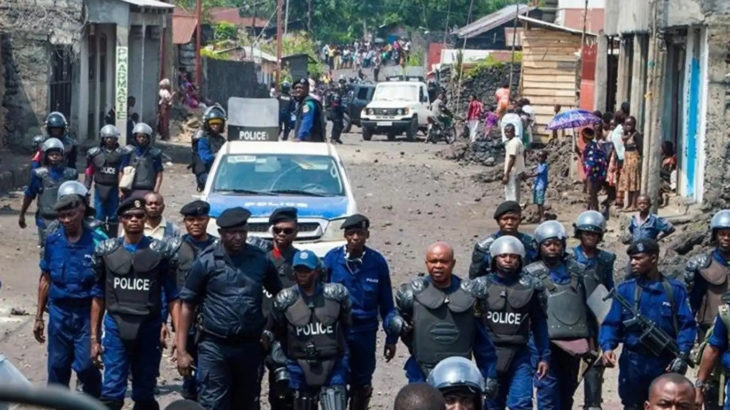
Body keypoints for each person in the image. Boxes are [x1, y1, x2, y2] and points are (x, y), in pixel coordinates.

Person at [176, 207, 283, 409]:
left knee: (247, 402)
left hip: (250, 345)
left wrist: (270, 329)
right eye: (232, 233)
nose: (238, 237)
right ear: (221, 234)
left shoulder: (260, 259)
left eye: (242, 232)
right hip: (214, 345)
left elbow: (279, 297)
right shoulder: (206, 261)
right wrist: (182, 350)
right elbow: (187, 304)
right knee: (213, 403)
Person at [90, 196, 181, 410]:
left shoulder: (161, 252)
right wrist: (94, 339)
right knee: (111, 392)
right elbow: (97, 297)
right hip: (115, 327)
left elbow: (173, 296)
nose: (134, 220)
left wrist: (178, 335)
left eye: (139, 216)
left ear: (144, 218)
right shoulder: (106, 252)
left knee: (145, 392)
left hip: (148, 329)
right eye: (129, 216)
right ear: (121, 219)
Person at [599, 238, 697, 409]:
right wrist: (607, 347)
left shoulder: (674, 290)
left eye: (638, 258)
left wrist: (682, 355)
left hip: (664, 362)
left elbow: (687, 326)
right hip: (633, 362)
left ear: (653, 258)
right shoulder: (625, 290)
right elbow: (611, 323)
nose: (633, 262)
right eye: (632, 258)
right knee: (633, 405)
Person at [391, 241, 498, 389]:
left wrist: (489, 374)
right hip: (421, 370)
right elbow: (396, 318)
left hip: (459, 372)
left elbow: (483, 341)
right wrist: (395, 323)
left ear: (453, 263)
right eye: (434, 261)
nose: (438, 266)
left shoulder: (471, 295)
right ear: (426, 263)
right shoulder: (411, 294)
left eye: (444, 261)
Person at [323, 214, 399, 410]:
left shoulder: (377, 262)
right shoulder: (332, 259)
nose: (355, 237)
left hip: (365, 332)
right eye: (351, 233)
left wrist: (392, 337)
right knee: (335, 383)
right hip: (338, 331)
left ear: (367, 235)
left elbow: (387, 305)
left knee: (362, 384)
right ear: (345, 235)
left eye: (360, 233)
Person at [33, 194, 106, 397]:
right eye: (62, 216)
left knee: (86, 366)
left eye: (70, 215)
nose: (66, 220)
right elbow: (46, 279)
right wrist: (38, 316)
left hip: (86, 314)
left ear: (82, 212)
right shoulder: (53, 241)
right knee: (57, 367)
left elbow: (105, 285)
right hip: (59, 313)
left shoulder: (98, 241)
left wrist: (99, 327)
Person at [524, 220, 598, 409]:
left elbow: (592, 307)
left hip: (574, 341)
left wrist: (593, 339)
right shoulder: (530, 274)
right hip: (543, 342)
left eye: (557, 244)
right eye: (547, 244)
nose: (552, 248)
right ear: (539, 246)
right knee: (547, 390)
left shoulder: (578, 271)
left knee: (568, 390)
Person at [263, 250, 351, 410]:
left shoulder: (336, 296)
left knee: (335, 402)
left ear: (317, 271)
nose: (302, 274)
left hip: (333, 362)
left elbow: (347, 326)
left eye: (307, 270)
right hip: (298, 363)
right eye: (299, 270)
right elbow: (276, 332)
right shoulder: (285, 300)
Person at [476, 236, 550, 410]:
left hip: (520, 355)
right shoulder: (480, 287)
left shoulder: (531, 287)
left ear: (520, 259)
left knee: (521, 403)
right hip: (489, 355)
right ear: (494, 257)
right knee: (492, 404)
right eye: (503, 256)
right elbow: (472, 324)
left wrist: (544, 356)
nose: (508, 260)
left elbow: (540, 323)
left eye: (513, 256)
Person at [171, 200, 218, 401]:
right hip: (185, 319)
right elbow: (169, 289)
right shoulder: (175, 248)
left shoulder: (218, 247)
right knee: (188, 372)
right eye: (191, 220)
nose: (196, 223)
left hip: (213, 318)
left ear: (207, 220)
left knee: (211, 375)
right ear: (185, 222)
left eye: (200, 219)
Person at [572, 211, 616, 410]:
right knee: (570, 365)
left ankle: (593, 403)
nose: (590, 237)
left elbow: (607, 289)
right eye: (586, 233)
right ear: (579, 234)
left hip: (596, 316)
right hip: (573, 315)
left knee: (595, 364)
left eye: (594, 234)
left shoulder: (605, 259)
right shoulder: (570, 256)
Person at [261, 207, 301, 410]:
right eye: (278, 230)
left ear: (296, 232)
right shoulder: (261, 260)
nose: (282, 235)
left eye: (288, 230)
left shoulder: (303, 261)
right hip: (262, 332)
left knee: (286, 392)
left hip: (292, 333)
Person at [19, 138, 79, 246]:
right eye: (52, 154)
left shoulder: (70, 174)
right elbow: (29, 194)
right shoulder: (39, 175)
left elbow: (78, 198)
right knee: (46, 249)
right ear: (46, 156)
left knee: (65, 247)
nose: (55, 157)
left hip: (65, 219)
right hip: (45, 219)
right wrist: (22, 214)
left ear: (62, 155)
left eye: (57, 154)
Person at [469, 200, 537, 279]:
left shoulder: (530, 243)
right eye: (505, 219)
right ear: (498, 221)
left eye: (514, 219)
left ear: (519, 220)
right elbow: (475, 275)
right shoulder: (485, 247)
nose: (509, 222)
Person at [85, 125, 125, 237]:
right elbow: (89, 170)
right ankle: (99, 238)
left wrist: (122, 189)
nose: (109, 140)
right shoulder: (94, 153)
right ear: (103, 138)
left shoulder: (121, 154)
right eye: (107, 138)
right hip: (99, 187)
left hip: (114, 188)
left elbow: (123, 172)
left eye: (112, 138)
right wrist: (86, 187)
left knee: (113, 215)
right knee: (99, 215)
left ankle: (112, 238)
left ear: (116, 139)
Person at [119, 123, 163, 199]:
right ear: (135, 137)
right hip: (130, 189)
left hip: (148, 189)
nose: (141, 139)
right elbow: (121, 172)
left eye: (144, 137)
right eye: (139, 137)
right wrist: (120, 190)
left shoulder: (154, 154)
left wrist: (156, 190)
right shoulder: (128, 152)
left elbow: (159, 173)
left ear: (148, 138)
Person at [192, 105, 227, 191]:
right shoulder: (203, 139)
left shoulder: (221, 140)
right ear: (207, 123)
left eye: (218, 123)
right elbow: (204, 158)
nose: (215, 126)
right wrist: (218, 155)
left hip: (219, 172)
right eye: (213, 123)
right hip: (206, 173)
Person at [620, 116, 643, 211]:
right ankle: (628, 204)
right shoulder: (626, 135)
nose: (628, 126)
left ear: (634, 125)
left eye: (630, 124)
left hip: (633, 161)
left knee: (634, 184)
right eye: (626, 124)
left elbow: (640, 148)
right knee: (628, 184)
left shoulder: (636, 135)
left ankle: (633, 205)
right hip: (627, 162)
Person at [582, 127, 608, 211]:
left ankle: (595, 212)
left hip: (592, 174)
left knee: (592, 194)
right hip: (594, 173)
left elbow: (590, 162)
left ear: (584, 137)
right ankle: (589, 210)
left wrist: (587, 175)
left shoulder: (591, 148)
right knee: (591, 194)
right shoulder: (592, 145)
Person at [502, 124, 525, 203]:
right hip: (518, 171)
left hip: (512, 172)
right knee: (516, 194)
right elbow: (522, 156)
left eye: (509, 132)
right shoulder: (519, 141)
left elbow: (512, 158)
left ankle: (512, 211)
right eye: (505, 132)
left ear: (514, 132)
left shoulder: (513, 143)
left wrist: (506, 174)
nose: (507, 134)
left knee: (511, 194)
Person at [610, 111, 627, 208]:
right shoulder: (620, 130)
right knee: (621, 179)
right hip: (622, 156)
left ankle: (620, 200)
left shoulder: (619, 130)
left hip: (622, 157)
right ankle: (620, 200)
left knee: (621, 179)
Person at [527, 151, 549, 222]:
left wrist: (528, 175)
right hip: (537, 186)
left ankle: (542, 216)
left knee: (540, 203)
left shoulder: (544, 166)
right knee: (537, 203)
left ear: (545, 158)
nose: (539, 158)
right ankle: (539, 216)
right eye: (539, 156)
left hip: (541, 186)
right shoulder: (539, 165)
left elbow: (537, 174)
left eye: (541, 157)